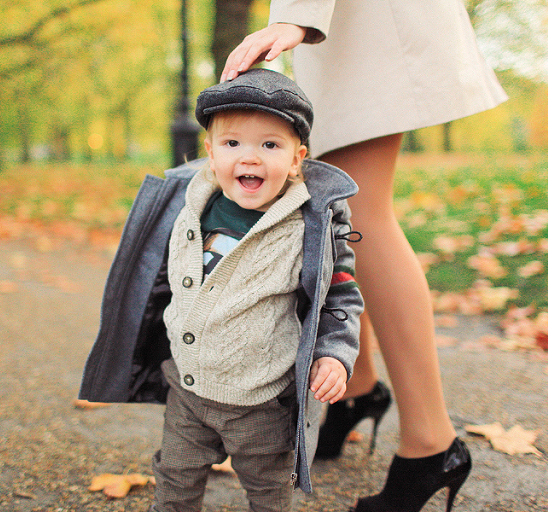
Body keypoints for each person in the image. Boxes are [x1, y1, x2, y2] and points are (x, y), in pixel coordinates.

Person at [221, 1, 508, 511]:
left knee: (360, 214)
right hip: (349, 28)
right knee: (338, 208)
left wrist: (298, 15)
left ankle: (430, 445)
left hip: (367, 26)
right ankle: (358, 388)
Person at [79, 68, 367, 511]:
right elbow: (151, 280)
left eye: (270, 145)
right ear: (211, 154)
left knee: (268, 490)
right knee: (174, 477)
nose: (249, 158)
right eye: (233, 144)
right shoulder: (186, 203)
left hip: (261, 401)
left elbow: (340, 298)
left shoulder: (311, 225)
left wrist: (334, 353)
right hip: (188, 389)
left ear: (296, 160)